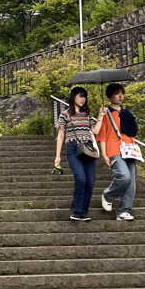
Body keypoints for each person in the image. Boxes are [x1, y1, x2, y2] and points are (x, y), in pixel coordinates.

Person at [54, 87, 100, 221]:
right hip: (73, 148)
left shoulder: (87, 114)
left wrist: (101, 117)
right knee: (81, 178)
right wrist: (58, 156)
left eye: (84, 96)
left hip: (88, 148)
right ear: (74, 97)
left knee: (90, 181)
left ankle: (84, 212)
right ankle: (76, 210)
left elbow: (95, 131)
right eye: (80, 96)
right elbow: (61, 135)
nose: (83, 99)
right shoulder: (65, 114)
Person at [97, 82, 141, 222]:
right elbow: (102, 135)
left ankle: (124, 210)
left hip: (129, 149)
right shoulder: (106, 113)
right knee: (124, 176)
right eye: (117, 93)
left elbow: (132, 132)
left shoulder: (126, 112)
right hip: (113, 149)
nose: (120, 96)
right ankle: (108, 195)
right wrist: (104, 154)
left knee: (131, 181)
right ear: (110, 96)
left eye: (122, 93)